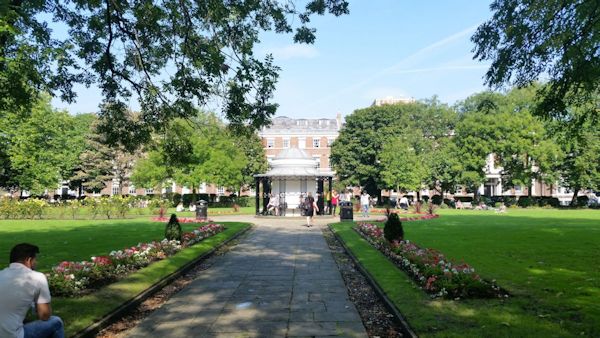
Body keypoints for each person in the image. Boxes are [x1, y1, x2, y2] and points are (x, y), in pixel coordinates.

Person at [0, 243, 64, 338]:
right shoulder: (37, 277)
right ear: (28, 260)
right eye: (35, 260)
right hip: (11, 335)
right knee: (56, 322)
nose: (36, 263)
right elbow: (44, 315)